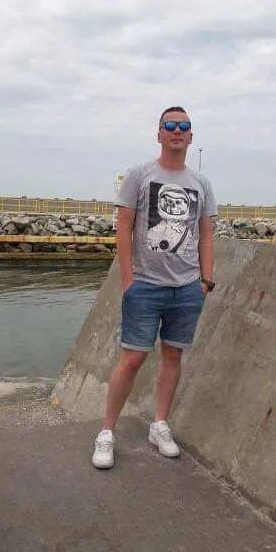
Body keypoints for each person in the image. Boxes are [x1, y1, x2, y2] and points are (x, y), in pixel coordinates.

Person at [92, 106, 217, 469]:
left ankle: (159, 424)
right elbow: (123, 227)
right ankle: (106, 432)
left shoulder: (201, 183)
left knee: (173, 355)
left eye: (183, 126)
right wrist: (128, 281)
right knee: (132, 359)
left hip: (187, 288)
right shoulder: (140, 175)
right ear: (159, 134)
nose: (177, 130)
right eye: (170, 125)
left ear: (190, 136)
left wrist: (205, 281)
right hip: (145, 286)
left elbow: (206, 233)